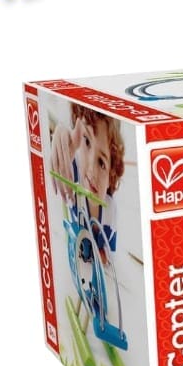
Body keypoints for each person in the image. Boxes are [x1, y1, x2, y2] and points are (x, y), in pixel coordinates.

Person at [51, 103, 125, 259]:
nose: (91, 169)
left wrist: (101, 254)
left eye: (101, 162)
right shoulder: (72, 178)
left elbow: (109, 251)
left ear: (111, 177)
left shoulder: (110, 212)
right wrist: (60, 132)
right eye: (87, 141)